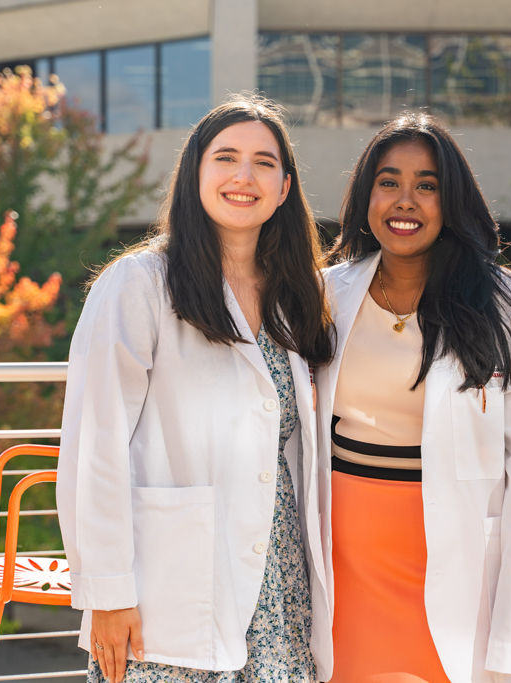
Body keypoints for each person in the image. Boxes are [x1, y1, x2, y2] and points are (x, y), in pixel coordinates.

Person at [56, 94, 335, 683]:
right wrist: (105, 593)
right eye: (225, 157)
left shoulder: (298, 294)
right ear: (195, 175)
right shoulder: (138, 283)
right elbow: (94, 448)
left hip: (280, 579)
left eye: (264, 162)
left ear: (285, 188)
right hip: (169, 582)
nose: (243, 176)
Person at [315, 112, 511, 683]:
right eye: (389, 182)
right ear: (365, 195)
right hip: (341, 562)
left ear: (451, 201)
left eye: (426, 186)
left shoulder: (507, 305)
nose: (406, 201)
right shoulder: (326, 294)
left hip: (452, 560)